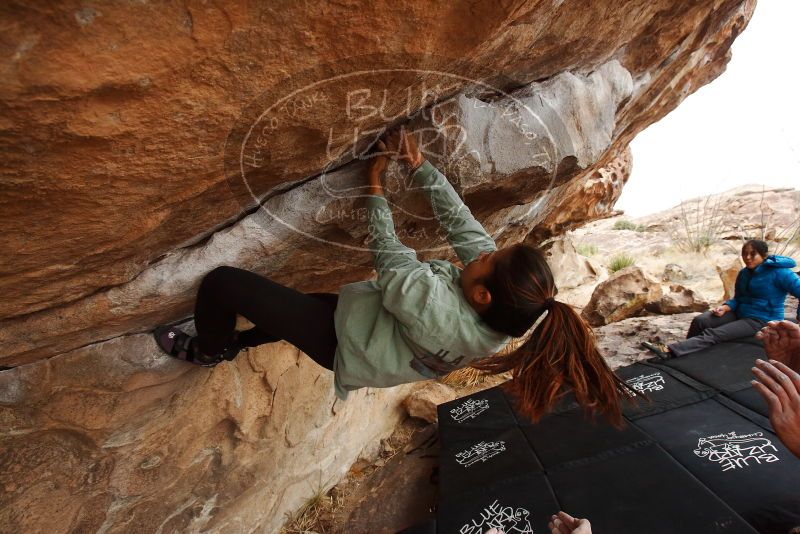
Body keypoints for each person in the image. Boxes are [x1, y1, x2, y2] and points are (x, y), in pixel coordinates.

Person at [154, 127, 636, 425]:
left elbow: (389, 255)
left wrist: (375, 181)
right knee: (305, 305)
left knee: (224, 284)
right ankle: (240, 342)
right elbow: (462, 225)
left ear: (482, 294)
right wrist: (420, 167)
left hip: (345, 344)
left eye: (490, 257)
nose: (484, 250)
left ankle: (211, 349)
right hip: (369, 329)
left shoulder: (437, 311)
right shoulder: (504, 308)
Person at [642, 240, 800, 359]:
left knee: (715, 334)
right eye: (744, 254)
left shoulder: (781, 273)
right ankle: (687, 352)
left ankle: (669, 351)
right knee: (701, 320)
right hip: (740, 312)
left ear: (763, 256)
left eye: (753, 254)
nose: (747, 257)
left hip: (762, 319)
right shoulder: (745, 273)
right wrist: (725, 307)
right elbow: (738, 298)